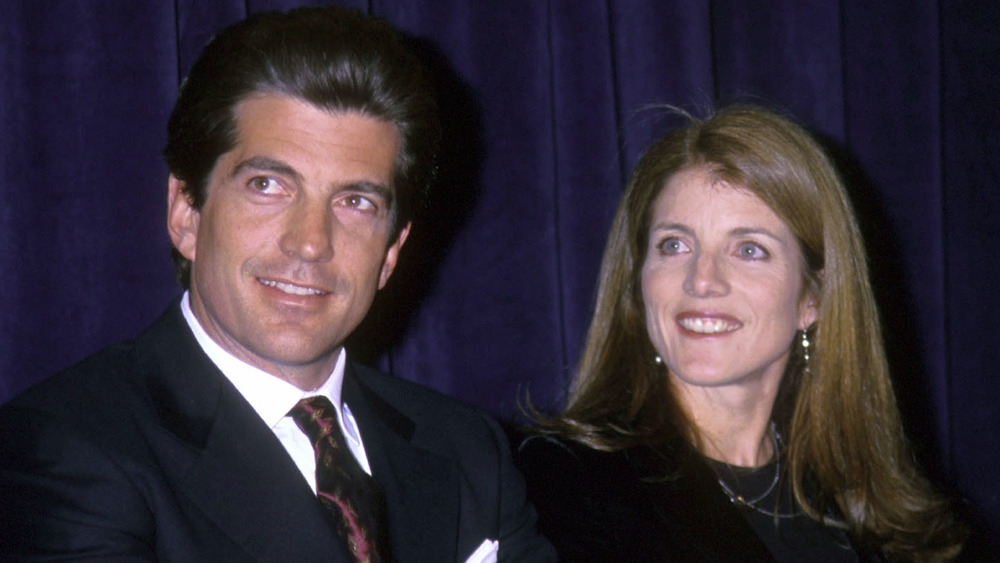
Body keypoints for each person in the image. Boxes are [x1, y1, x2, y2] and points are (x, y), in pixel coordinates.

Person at [0, 6, 554, 562]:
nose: (310, 242)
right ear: (186, 214)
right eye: (268, 185)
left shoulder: (467, 450)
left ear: (390, 253)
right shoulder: (70, 445)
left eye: (355, 202)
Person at [518, 105, 970, 561]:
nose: (702, 280)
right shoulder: (563, 486)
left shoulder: (868, 511)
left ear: (814, 298)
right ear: (637, 280)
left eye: (749, 250)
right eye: (675, 245)